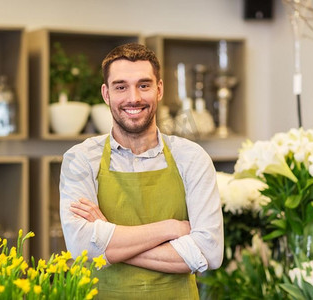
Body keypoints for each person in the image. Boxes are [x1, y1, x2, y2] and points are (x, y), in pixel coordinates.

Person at [59, 43, 223, 299]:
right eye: (121, 86)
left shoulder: (191, 158)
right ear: (106, 94)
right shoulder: (80, 159)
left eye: (143, 85)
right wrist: (170, 228)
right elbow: (81, 247)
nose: (133, 98)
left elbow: (209, 252)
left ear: (159, 89)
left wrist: (107, 236)